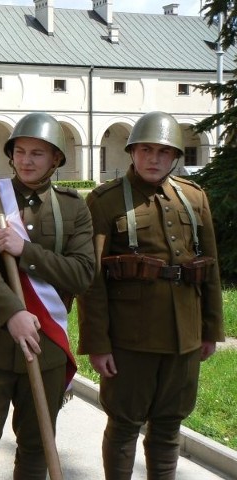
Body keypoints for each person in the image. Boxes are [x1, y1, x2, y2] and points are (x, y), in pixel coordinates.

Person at [77, 111, 225, 479]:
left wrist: (210, 330)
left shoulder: (193, 198)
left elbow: (209, 268)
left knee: (169, 424)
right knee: (125, 424)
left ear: (175, 156)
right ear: (132, 152)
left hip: (184, 338)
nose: (154, 159)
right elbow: (92, 279)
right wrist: (98, 343)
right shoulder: (105, 201)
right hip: (131, 340)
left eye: (163, 151)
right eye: (145, 149)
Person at [0, 113, 95, 480]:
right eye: (20, 152)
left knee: (35, 450)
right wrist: (13, 311)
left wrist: (25, 251)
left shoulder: (72, 207)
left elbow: (82, 273)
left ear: (55, 160)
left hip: (45, 345)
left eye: (37, 153)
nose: (27, 161)